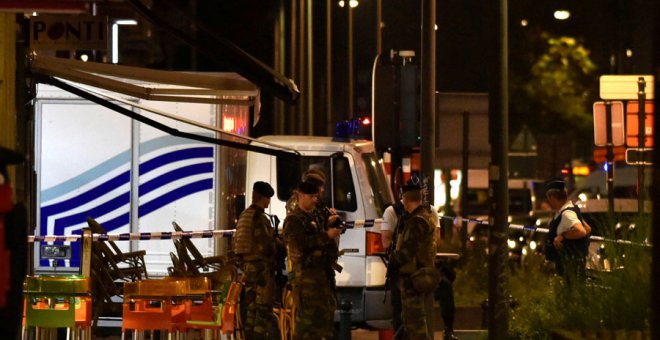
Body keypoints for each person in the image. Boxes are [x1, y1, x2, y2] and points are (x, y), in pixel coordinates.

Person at [284, 181, 342, 339]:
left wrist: (329, 224)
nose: (315, 200)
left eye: (317, 196)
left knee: (324, 323)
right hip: (306, 280)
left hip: (322, 277)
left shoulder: (315, 216)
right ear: (301, 195)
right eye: (312, 196)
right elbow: (300, 245)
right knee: (307, 324)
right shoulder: (293, 220)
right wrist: (326, 235)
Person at [390, 181, 438, 340]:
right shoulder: (426, 217)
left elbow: (407, 251)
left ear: (405, 198)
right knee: (411, 322)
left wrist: (393, 260)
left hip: (413, 277)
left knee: (415, 324)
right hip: (420, 275)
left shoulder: (417, 221)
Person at [233, 181, 280, 339]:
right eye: (268, 198)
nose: (269, 201)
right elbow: (266, 245)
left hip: (249, 270)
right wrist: (280, 244)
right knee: (263, 311)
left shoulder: (245, 215)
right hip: (261, 271)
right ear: (262, 198)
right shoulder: (259, 218)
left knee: (251, 311)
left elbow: (238, 245)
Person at [544, 180, 591, 284]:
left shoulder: (567, 214)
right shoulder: (567, 210)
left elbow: (582, 231)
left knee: (570, 295)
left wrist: (563, 236)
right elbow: (587, 228)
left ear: (552, 197)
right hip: (571, 264)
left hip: (570, 266)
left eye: (548, 198)